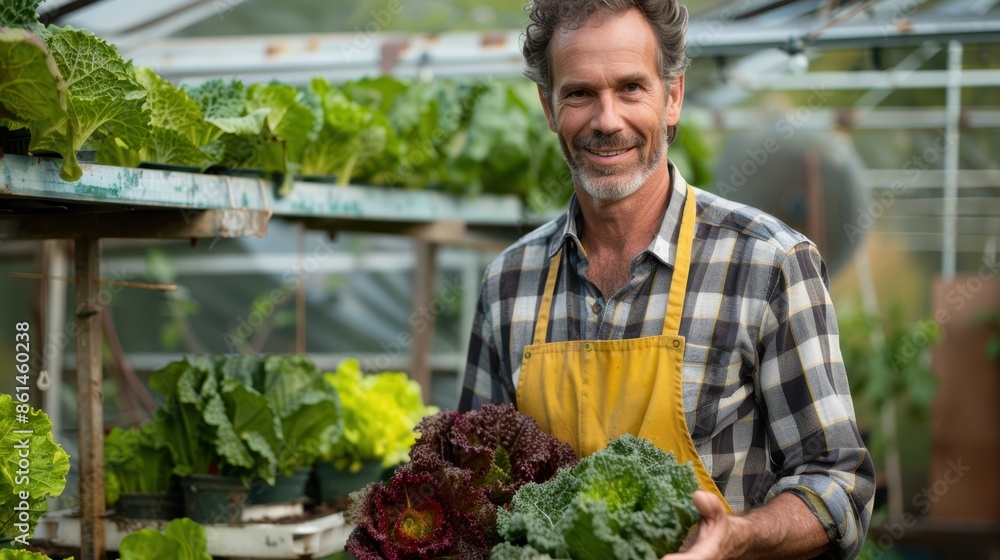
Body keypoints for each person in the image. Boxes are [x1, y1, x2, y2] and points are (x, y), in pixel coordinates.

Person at [458, 0, 875, 558]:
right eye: (580, 93)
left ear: (672, 96)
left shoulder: (768, 264)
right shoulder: (508, 285)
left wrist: (740, 536)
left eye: (631, 88)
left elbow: (839, 484)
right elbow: (474, 483)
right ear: (548, 106)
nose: (607, 121)